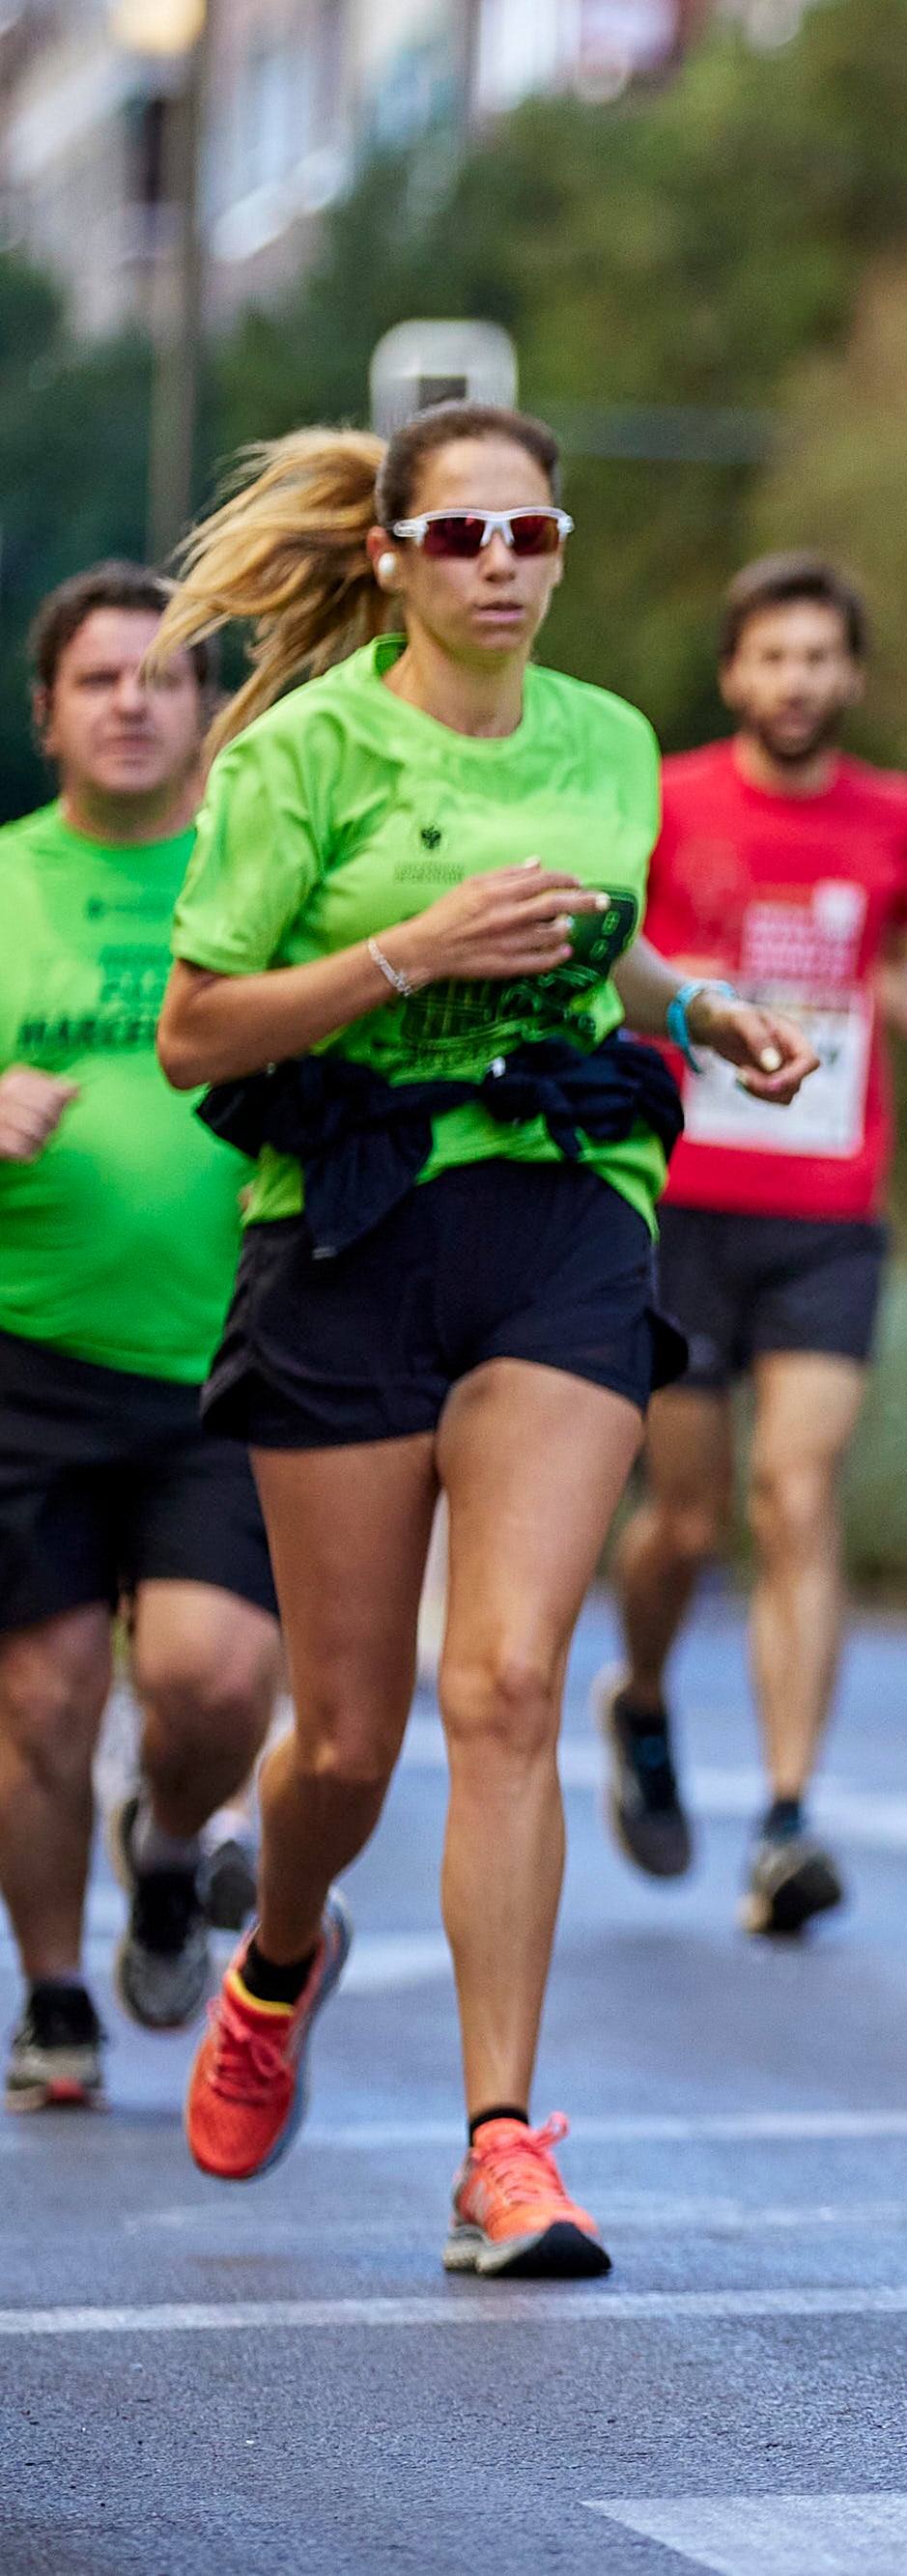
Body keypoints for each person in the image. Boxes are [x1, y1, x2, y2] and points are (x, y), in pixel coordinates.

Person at [153, 405, 820, 2277]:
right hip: (350, 1226)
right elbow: (200, 1030)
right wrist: (404, 958)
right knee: (348, 1740)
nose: (504, 565)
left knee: (508, 1682)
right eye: (463, 538)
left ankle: (501, 2145)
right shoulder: (301, 754)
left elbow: (591, 936)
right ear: (392, 558)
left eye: (534, 531)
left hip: (560, 1206)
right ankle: (277, 1962)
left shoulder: (609, 741)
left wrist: (699, 1011)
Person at [597, 553, 907, 1939]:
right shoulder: (668, 801)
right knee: (685, 1514)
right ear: (734, 673)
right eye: (772, 656)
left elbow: (900, 955)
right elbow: (619, 968)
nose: (798, 680)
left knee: (797, 1492)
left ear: (851, 675)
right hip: (682, 1196)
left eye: (821, 657)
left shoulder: (901, 814)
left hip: (827, 1209)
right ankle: (639, 1693)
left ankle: (789, 1816)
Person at [1, 565, 283, 2111]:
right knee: (41, 1700)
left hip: (226, 1352)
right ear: (46, 712)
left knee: (216, 1682)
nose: (130, 701)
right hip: (26, 1353)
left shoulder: (252, 877)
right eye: (99, 678)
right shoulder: (3, 881)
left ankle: (169, 1848)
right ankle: (53, 1987)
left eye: (162, 678)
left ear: (206, 711)